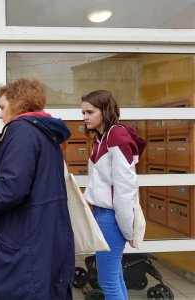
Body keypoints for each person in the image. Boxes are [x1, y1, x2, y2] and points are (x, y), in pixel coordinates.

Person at [0, 78, 75, 299]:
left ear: (18, 103)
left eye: (2, 107)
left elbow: (11, 189)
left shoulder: (21, 131)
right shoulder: (46, 133)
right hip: (43, 235)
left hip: (23, 239)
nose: (0, 115)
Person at [81, 90, 146, 300]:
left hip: (111, 217)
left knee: (108, 281)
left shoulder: (116, 136)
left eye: (90, 112)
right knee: (114, 277)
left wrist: (127, 229)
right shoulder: (100, 139)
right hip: (102, 214)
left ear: (105, 111)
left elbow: (125, 188)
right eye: (83, 112)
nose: (85, 117)